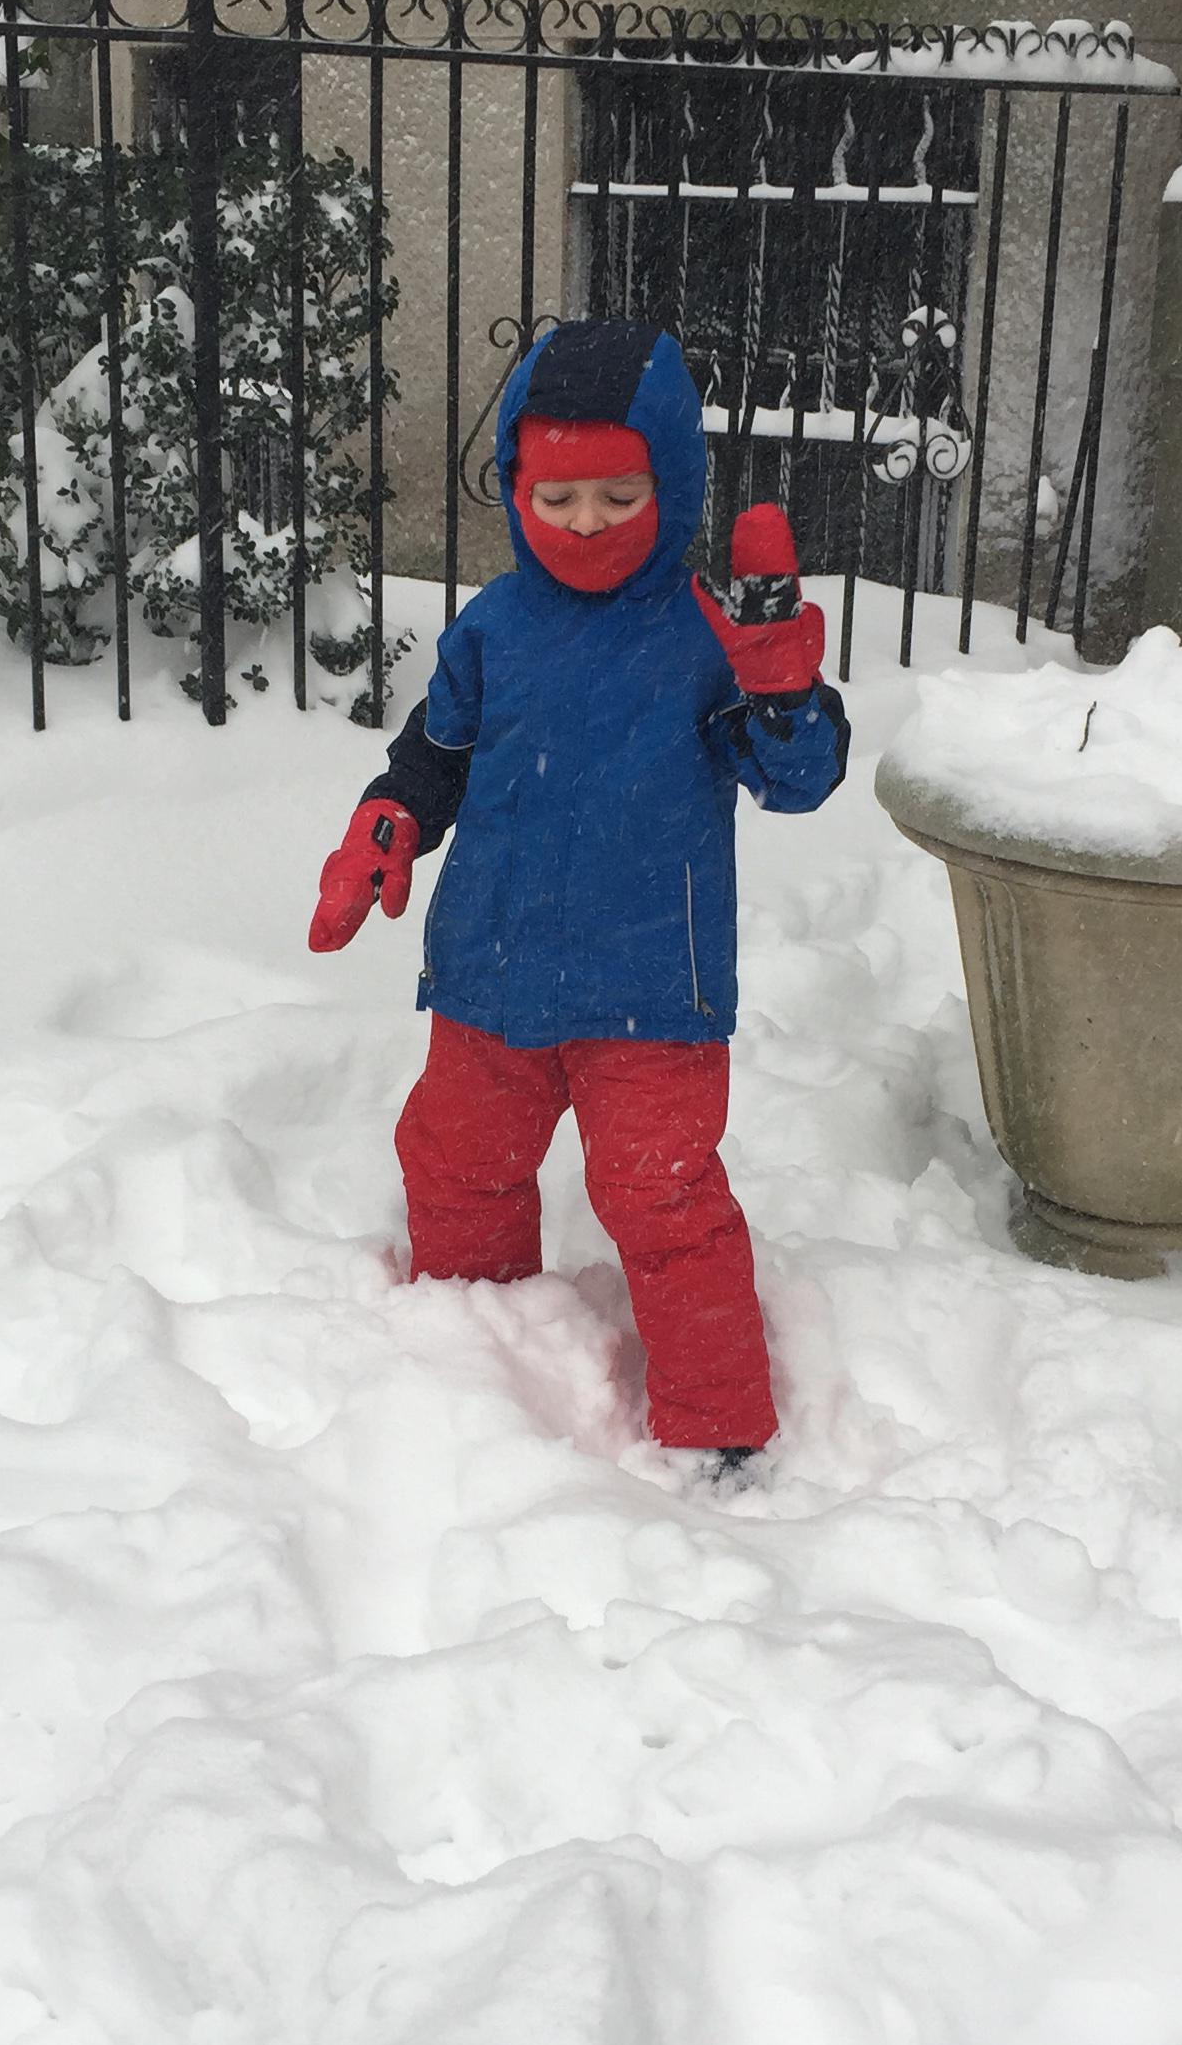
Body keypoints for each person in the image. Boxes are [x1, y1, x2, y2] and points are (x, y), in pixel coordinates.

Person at [306, 316, 849, 1465]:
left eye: (617, 494)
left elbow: (793, 781)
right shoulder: (495, 627)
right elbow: (437, 753)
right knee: (458, 1164)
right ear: (516, 492)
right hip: (493, 973)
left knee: (661, 1198)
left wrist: (785, 694)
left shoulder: (704, 636)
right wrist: (387, 823)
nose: (586, 521)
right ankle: (477, 1354)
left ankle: (715, 1426)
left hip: (650, 988)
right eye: (556, 497)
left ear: (671, 484)